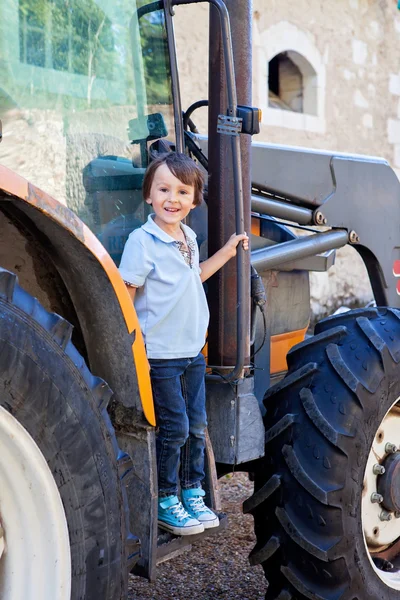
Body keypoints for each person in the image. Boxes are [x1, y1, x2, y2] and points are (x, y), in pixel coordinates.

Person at [119, 152, 249, 536]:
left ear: (194, 200)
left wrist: (226, 251)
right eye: (163, 189)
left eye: (182, 191)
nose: (172, 198)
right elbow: (127, 294)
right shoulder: (142, 241)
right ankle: (165, 499)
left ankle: (193, 492)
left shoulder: (188, 237)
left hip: (192, 352)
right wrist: (130, 345)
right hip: (160, 355)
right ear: (148, 195)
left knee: (196, 426)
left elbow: (196, 277)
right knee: (173, 428)